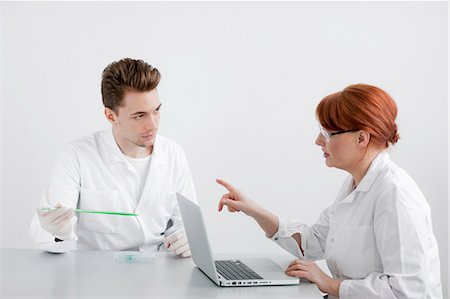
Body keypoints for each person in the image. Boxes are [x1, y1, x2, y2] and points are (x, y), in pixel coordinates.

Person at [216, 84, 442, 298]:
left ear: (361, 138)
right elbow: (313, 243)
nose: (318, 141)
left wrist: (329, 283)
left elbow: (408, 291)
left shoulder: (395, 194)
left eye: (327, 133)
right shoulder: (354, 185)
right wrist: (253, 210)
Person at [30, 58, 196, 257]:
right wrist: (59, 233)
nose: (152, 125)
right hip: (96, 276)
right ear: (111, 116)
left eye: (156, 111)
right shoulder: (76, 155)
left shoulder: (173, 154)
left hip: (156, 274)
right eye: (139, 115)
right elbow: (45, 231)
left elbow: (186, 224)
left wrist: (187, 237)